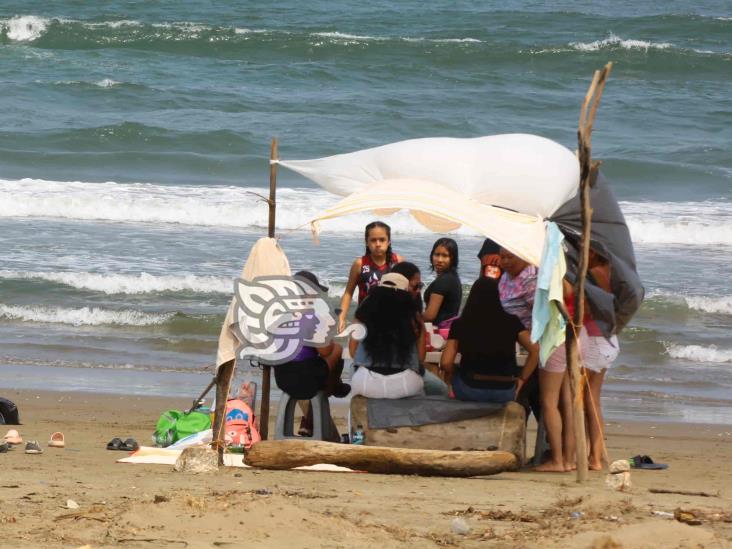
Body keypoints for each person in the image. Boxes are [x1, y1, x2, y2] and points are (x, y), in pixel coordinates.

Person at [273, 271, 350, 437]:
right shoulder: (313, 317)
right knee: (337, 349)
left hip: (282, 377)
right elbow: (325, 351)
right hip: (305, 379)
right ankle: (333, 388)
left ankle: (332, 389)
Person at [440, 277, 539, 403]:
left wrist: (456, 372)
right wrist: (522, 378)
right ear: (498, 296)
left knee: (449, 376)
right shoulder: (511, 321)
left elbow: (445, 363)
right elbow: (535, 350)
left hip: (470, 389)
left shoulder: (460, 324)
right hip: (505, 391)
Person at [349, 273, 447, 398]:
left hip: (365, 384)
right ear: (405, 292)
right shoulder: (414, 317)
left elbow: (353, 352)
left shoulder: (362, 314)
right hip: (405, 384)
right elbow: (420, 358)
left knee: (355, 368)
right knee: (441, 389)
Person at [584, 250, 620, 470]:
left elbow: (590, 305)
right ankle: (596, 455)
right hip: (609, 337)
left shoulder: (594, 273)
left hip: (595, 338)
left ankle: (594, 457)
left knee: (586, 399)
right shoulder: (614, 274)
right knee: (593, 399)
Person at [338, 221, 403, 332]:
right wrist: (341, 317)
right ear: (367, 242)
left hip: (392, 321)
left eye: (382, 240)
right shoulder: (360, 264)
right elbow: (348, 293)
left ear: (389, 241)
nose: (378, 244)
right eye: (373, 240)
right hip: (364, 321)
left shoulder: (398, 262)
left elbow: (407, 292)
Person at [423, 238, 462, 327]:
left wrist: (411, 319)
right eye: (437, 254)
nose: (440, 260)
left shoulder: (444, 281)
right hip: (448, 330)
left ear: (453, 259)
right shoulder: (453, 278)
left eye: (445, 256)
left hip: (438, 332)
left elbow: (429, 316)